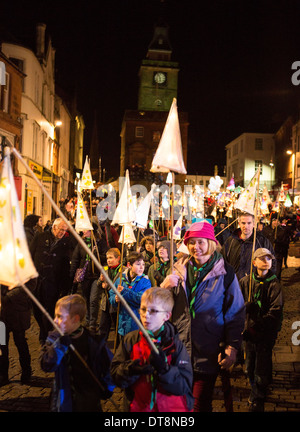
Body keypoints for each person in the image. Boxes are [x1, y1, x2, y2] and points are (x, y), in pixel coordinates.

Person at [160, 220, 245, 412]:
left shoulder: (225, 273)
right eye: (191, 242)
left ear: (210, 243)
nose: (195, 247)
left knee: (198, 405)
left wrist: (232, 346)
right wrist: (163, 287)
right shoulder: (176, 269)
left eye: (200, 242)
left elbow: (236, 313)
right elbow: (158, 308)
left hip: (208, 351)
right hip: (179, 349)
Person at [110, 287, 194, 412]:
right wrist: (129, 370)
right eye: (143, 309)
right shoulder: (130, 340)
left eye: (154, 311)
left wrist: (165, 370)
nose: (145, 315)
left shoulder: (176, 345)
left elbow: (184, 385)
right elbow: (115, 376)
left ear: (166, 316)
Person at [40, 294, 114, 412]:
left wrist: (108, 387)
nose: (55, 320)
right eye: (55, 316)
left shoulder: (93, 340)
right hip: (64, 399)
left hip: (88, 400)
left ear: (75, 319)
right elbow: (47, 365)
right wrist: (60, 346)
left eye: (60, 316)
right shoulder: (54, 338)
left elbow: (109, 365)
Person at [239, 248, 283, 412]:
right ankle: (258, 384)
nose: (265, 261)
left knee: (261, 365)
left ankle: (258, 395)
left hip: (265, 333)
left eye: (268, 258)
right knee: (250, 364)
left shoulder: (274, 284)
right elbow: (237, 302)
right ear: (254, 262)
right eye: (261, 258)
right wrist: (244, 310)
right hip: (248, 332)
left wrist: (260, 321)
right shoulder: (246, 282)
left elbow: (275, 310)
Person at [30, 217, 72, 344]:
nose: (62, 233)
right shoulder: (40, 237)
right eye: (61, 230)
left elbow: (66, 266)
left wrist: (65, 287)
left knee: (49, 310)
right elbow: (30, 254)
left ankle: (45, 335)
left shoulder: (66, 243)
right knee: (36, 310)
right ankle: (43, 330)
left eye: (65, 231)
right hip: (36, 281)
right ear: (54, 227)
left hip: (52, 283)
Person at [0, 279, 36, 386]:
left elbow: (31, 283)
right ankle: (2, 375)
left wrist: (9, 297)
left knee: (20, 342)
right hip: (2, 314)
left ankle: (26, 373)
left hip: (17, 311)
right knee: (2, 344)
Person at [108, 251, 151, 341]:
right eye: (138, 264)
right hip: (122, 324)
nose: (141, 267)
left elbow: (141, 299)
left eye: (143, 264)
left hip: (137, 323)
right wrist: (115, 299)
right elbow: (111, 294)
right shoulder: (120, 280)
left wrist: (124, 292)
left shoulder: (145, 281)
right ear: (129, 265)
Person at [221, 212, 276, 281]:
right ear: (239, 224)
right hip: (234, 284)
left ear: (253, 224)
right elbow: (222, 262)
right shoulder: (230, 241)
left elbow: (272, 263)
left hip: (255, 285)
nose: (246, 226)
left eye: (249, 223)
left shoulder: (262, 242)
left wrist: (266, 282)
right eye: (243, 223)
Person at [69, 226, 103, 329]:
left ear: (92, 231)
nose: (83, 231)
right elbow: (75, 259)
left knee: (93, 299)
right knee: (86, 298)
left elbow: (106, 256)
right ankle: (87, 319)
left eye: (86, 229)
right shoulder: (81, 243)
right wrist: (72, 274)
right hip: (85, 276)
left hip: (96, 275)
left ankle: (93, 321)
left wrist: (96, 256)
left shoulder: (100, 243)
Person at [96, 248, 123, 339]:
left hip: (116, 303)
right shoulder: (105, 269)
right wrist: (101, 281)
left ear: (118, 258)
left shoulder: (123, 270)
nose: (108, 260)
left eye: (111, 258)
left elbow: (121, 286)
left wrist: (108, 286)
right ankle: (101, 346)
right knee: (103, 326)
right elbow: (98, 285)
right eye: (107, 258)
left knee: (117, 326)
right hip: (106, 302)